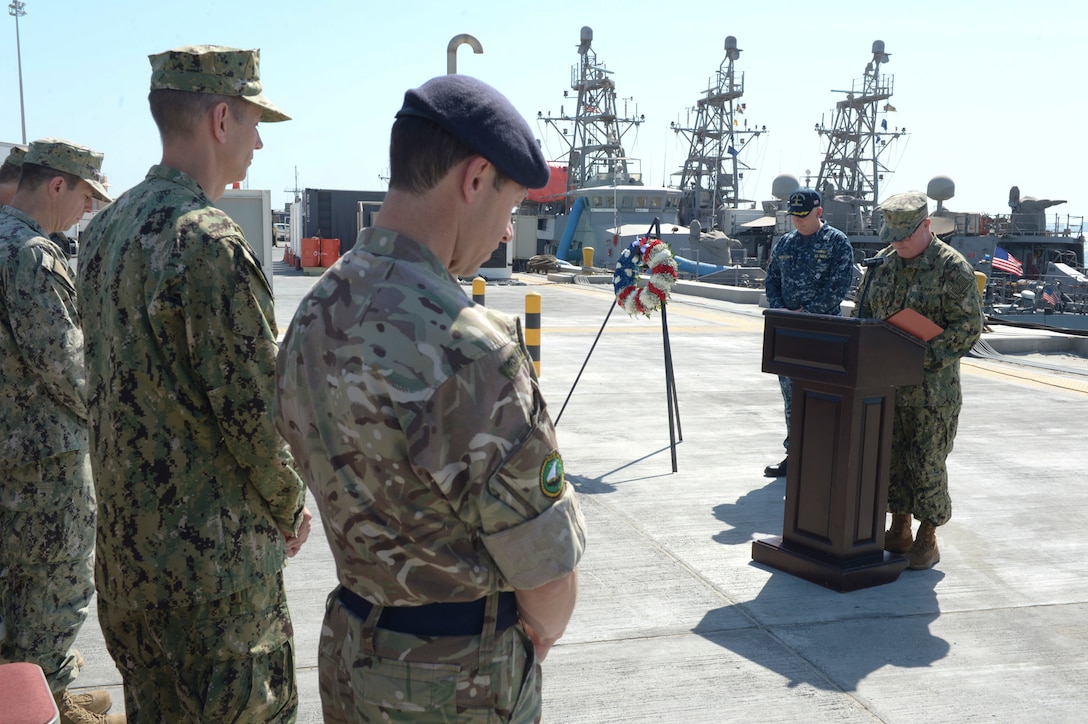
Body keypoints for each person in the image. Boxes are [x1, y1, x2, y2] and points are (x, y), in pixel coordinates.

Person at [275, 74, 587, 722]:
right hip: (457, 684)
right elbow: (548, 580)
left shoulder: (312, 314)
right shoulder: (470, 348)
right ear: (474, 180)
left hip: (351, 659)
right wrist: (543, 628)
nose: (506, 232)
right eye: (510, 206)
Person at [76, 46, 311, 721]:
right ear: (219, 118)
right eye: (254, 121)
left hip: (130, 573)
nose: (260, 141)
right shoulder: (207, 242)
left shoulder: (108, 229)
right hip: (215, 595)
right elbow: (254, 418)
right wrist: (292, 505)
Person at [0, 139, 121, 723]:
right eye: (86, 197)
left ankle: (37, 694)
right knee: (54, 590)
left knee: (14, 596)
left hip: (12, 459)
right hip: (43, 466)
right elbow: (71, 370)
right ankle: (46, 705)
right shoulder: (30, 255)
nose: (87, 211)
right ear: (57, 187)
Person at [853, 191, 983, 570]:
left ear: (926, 225)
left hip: (932, 393)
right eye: (893, 237)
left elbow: (968, 328)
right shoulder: (883, 267)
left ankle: (928, 537)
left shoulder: (951, 268)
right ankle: (900, 528)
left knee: (926, 464)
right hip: (888, 388)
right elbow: (864, 316)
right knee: (890, 463)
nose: (899, 243)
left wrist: (919, 357)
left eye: (906, 235)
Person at [762, 188, 853, 477]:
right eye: (794, 216)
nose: (798, 221)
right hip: (789, 334)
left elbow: (838, 287)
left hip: (824, 334)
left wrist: (806, 313)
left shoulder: (837, 242)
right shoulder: (785, 244)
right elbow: (772, 280)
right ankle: (796, 454)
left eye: (804, 215)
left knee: (825, 398)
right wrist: (783, 312)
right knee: (792, 396)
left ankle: (826, 457)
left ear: (819, 212)